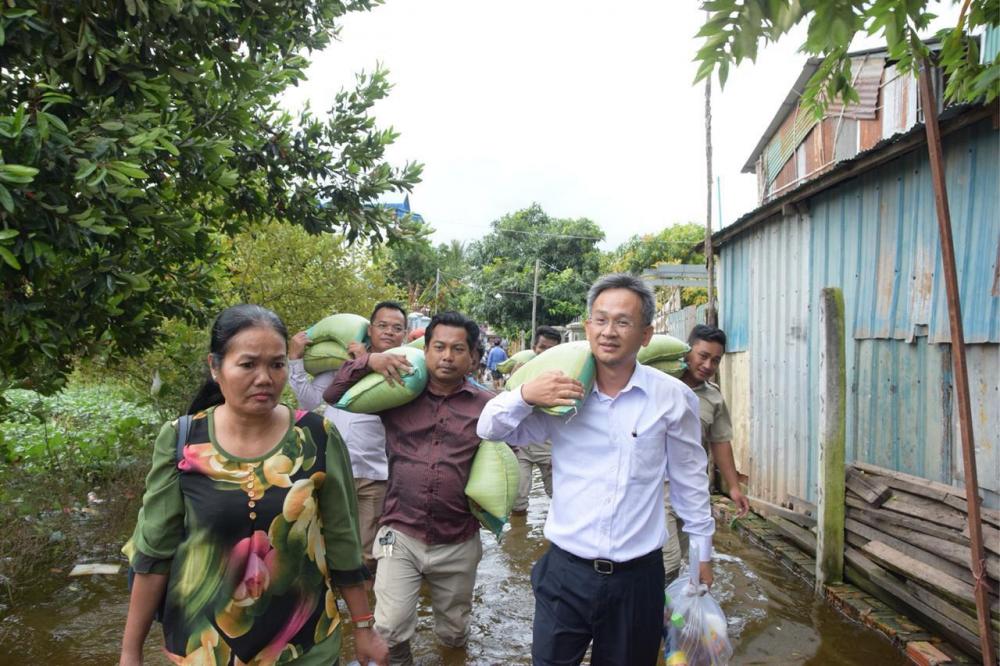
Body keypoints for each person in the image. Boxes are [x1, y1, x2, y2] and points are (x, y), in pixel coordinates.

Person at [120, 304, 387, 666]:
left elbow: (342, 539)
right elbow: (154, 552)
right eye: (248, 365)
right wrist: (130, 652)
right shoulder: (182, 440)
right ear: (216, 368)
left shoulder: (316, 437)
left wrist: (363, 627)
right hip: (203, 648)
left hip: (304, 645)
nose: (265, 378)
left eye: (277, 364)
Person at [477, 274, 714, 665]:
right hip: (565, 572)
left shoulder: (673, 398)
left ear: (645, 334)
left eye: (623, 321)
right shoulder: (562, 395)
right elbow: (489, 428)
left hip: (638, 580)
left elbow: (690, 480)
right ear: (587, 327)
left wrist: (702, 553)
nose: (609, 331)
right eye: (600, 320)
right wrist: (523, 394)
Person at [323, 311, 493, 666]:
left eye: (458, 349)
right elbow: (334, 394)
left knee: (453, 632)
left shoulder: (487, 406)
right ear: (425, 350)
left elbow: (513, 451)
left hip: (459, 538)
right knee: (389, 628)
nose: (447, 356)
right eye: (439, 347)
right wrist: (369, 360)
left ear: (473, 357)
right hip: (400, 533)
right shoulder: (396, 391)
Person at [288, 301, 408, 588]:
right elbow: (309, 400)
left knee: (368, 553)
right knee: (327, 544)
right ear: (370, 328)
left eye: (397, 328)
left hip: (375, 475)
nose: (389, 332)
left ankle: (365, 620)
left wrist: (368, 360)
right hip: (332, 471)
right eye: (382, 325)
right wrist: (294, 359)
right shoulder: (339, 363)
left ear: (405, 333)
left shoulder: (405, 367)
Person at [510, 325, 561, 517]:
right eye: (542, 347)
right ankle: (517, 541)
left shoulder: (563, 373)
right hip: (520, 444)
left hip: (548, 443)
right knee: (518, 500)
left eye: (551, 348)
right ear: (534, 347)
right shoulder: (521, 370)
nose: (545, 352)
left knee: (559, 496)